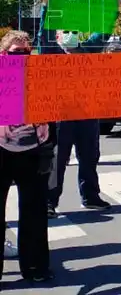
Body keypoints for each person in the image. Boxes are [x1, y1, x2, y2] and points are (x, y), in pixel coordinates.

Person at [37, 0, 111, 219]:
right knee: (57, 160)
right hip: (59, 116)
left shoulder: (89, 50)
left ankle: (90, 196)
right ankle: (49, 201)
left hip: (88, 114)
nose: (70, 34)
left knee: (90, 156)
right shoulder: (51, 53)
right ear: (58, 35)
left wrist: (113, 9)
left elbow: (103, 33)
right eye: (65, 30)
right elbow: (43, 34)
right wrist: (47, 6)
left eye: (74, 30)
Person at [0, 31, 54, 283]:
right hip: (1, 151)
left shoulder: (43, 77)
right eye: (15, 51)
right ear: (3, 53)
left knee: (34, 212)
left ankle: (35, 267)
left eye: (26, 51)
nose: (21, 56)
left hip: (34, 151)